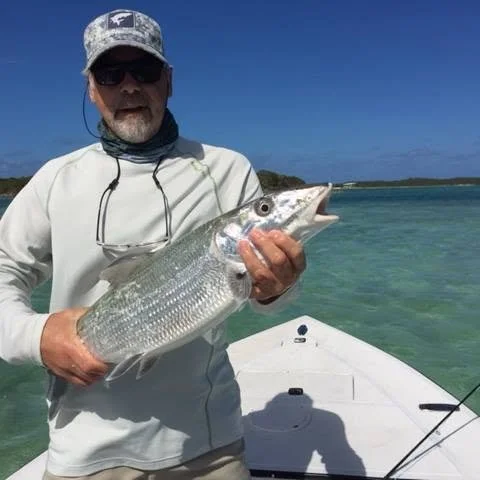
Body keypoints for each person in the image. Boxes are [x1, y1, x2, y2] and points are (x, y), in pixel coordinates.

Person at [0, 9, 305, 480]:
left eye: (144, 70)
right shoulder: (54, 180)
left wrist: (277, 289)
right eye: (110, 72)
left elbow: (262, 298)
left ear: (168, 80)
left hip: (208, 445)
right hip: (83, 451)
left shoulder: (226, 169)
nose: (128, 86)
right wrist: (37, 336)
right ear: (90, 87)